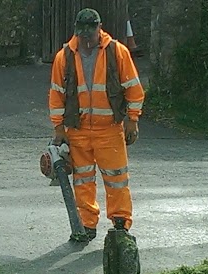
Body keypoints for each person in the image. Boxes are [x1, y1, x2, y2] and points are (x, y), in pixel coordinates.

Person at [48, 8, 145, 242]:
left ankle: (120, 223)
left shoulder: (117, 52)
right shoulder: (64, 57)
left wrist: (133, 120)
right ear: (76, 32)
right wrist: (59, 129)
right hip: (78, 130)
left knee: (117, 179)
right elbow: (56, 94)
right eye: (82, 34)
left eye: (90, 33)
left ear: (99, 29)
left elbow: (133, 88)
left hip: (109, 129)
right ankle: (86, 225)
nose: (86, 38)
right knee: (82, 181)